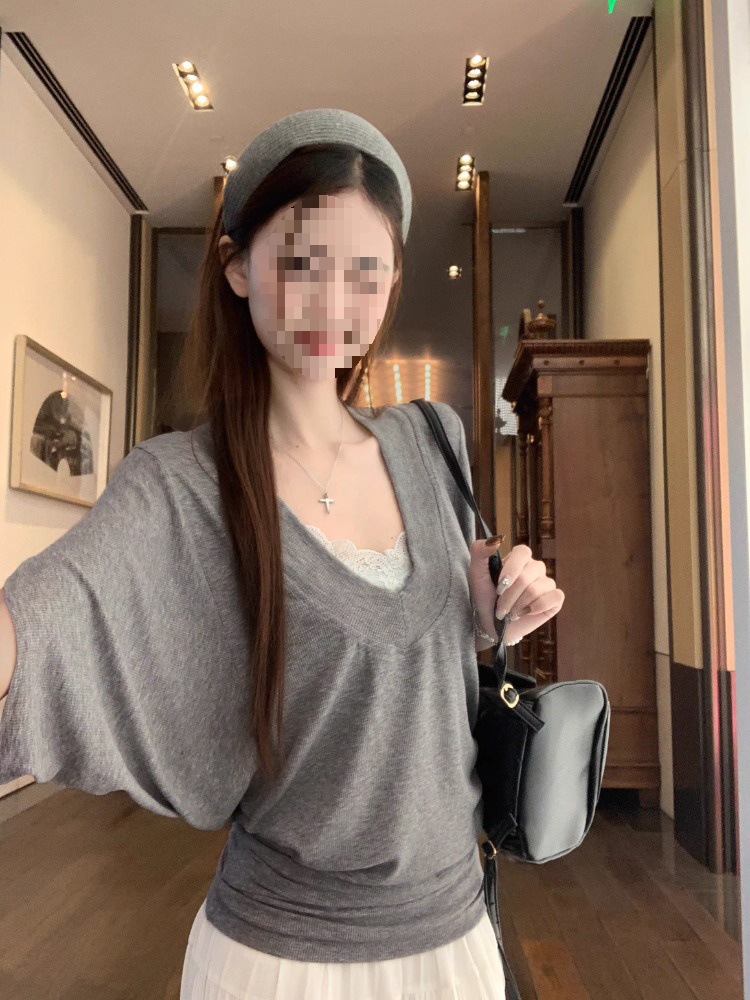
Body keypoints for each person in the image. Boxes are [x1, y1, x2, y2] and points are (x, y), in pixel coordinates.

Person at [0, 108, 562, 999]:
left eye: (366, 272)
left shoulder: (432, 440)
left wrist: (504, 603)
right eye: (303, 263)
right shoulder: (182, 484)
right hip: (277, 961)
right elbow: (49, 619)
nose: (336, 303)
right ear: (237, 267)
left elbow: (446, 640)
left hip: (457, 940)